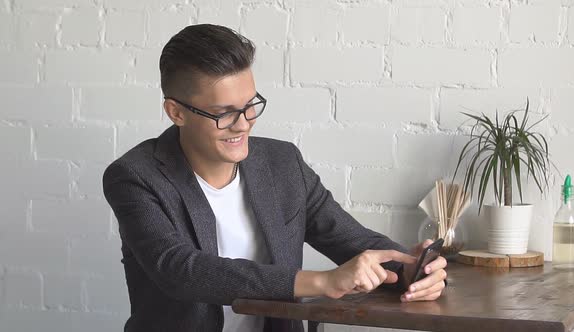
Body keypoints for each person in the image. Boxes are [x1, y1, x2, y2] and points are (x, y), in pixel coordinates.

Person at [102, 24, 447, 332]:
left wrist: (411, 271)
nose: (244, 123)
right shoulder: (135, 177)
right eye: (224, 114)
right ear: (176, 112)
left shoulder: (283, 163)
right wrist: (322, 281)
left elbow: (350, 239)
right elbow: (180, 271)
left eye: (250, 104)